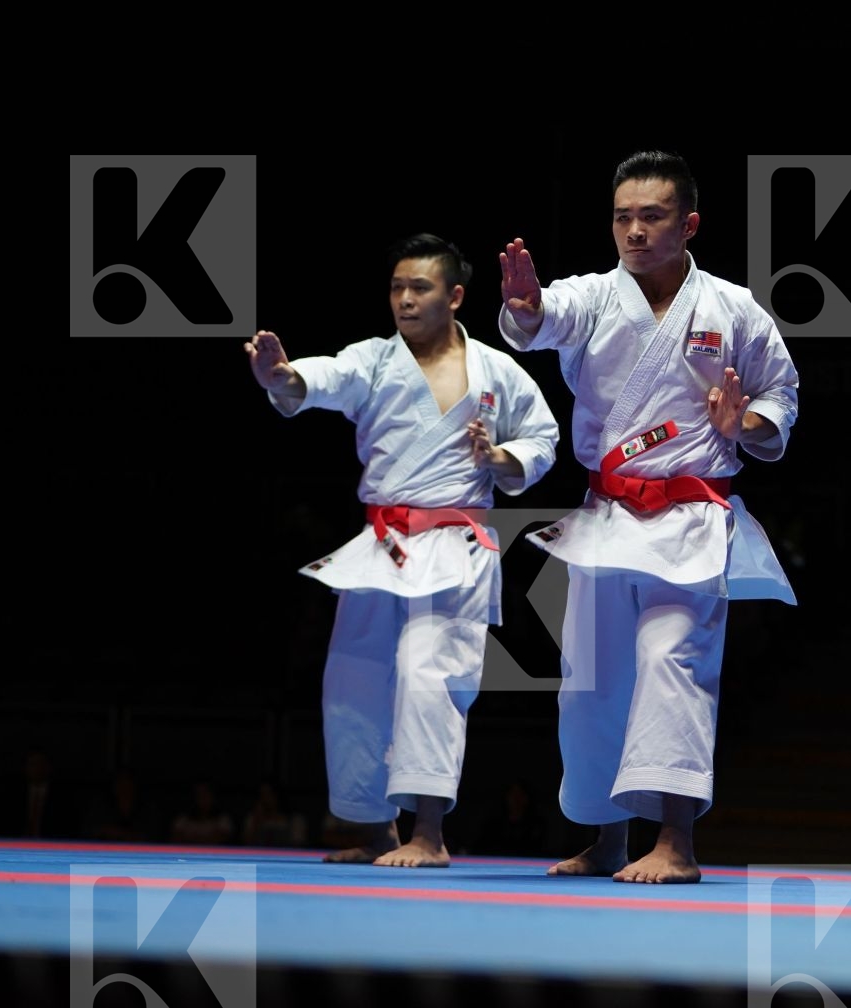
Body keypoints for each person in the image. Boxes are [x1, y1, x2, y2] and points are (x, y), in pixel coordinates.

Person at [499, 150, 799, 884]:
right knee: (592, 678)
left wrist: (743, 425)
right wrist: (526, 306)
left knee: (673, 663)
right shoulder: (596, 295)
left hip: (690, 521)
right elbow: (541, 323)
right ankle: (604, 840)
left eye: (651, 216)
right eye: (622, 217)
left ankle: (675, 842)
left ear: (689, 223)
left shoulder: (732, 308)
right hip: (606, 517)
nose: (633, 231)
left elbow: (780, 400)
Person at [246, 234, 561, 867]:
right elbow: (323, 375)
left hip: (455, 545)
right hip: (382, 544)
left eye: (419, 288)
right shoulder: (374, 361)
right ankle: (372, 828)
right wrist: (284, 376)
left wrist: (501, 457)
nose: (405, 300)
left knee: (430, 679)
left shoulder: (497, 370)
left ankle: (429, 834)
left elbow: (544, 436)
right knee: (352, 680)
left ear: (456, 296)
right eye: (397, 288)